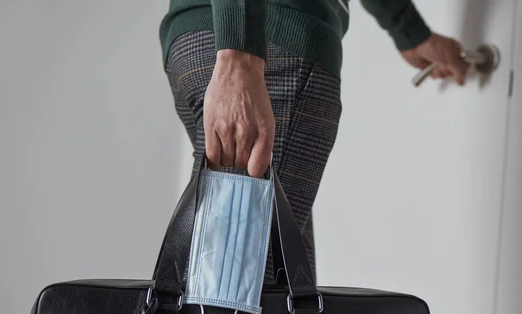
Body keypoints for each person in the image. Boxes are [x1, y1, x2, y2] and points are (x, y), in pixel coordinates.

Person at [159, 0, 469, 283]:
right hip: (268, 37)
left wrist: (410, 31)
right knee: (236, 288)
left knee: (274, 283)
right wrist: (239, 56)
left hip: (204, 37)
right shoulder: (245, 54)